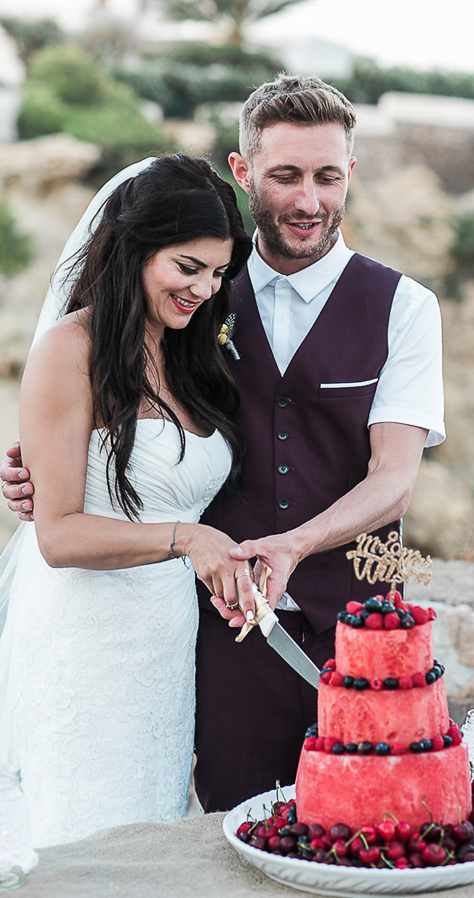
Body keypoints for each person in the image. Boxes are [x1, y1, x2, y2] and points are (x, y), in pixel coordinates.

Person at [4, 75, 446, 812]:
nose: (309, 201)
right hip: (220, 636)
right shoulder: (197, 292)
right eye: (286, 176)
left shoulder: (405, 307)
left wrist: (296, 545)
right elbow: (113, 414)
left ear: (350, 175)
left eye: (327, 177)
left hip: (364, 631)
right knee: (224, 837)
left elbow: (394, 480)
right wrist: (43, 475)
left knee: (380, 830)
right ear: (243, 174)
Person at [0, 154, 255, 847]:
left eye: (218, 272)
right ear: (136, 250)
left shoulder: (185, 353)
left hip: (165, 643)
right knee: (90, 845)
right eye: (186, 266)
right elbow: (56, 536)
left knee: (150, 839)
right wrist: (187, 539)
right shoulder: (68, 349)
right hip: (87, 642)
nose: (204, 288)